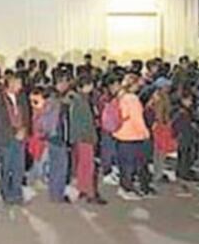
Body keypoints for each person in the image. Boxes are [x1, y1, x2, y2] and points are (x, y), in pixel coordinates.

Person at [113, 73, 152, 199]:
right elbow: (137, 119)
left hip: (120, 133)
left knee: (123, 164)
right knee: (131, 164)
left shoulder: (121, 96)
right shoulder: (133, 99)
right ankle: (127, 189)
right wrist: (145, 133)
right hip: (132, 135)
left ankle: (123, 187)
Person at [0, 72, 28, 205]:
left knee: (19, 166)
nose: (21, 86)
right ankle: (6, 193)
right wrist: (14, 132)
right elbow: (0, 121)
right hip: (6, 138)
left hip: (21, 136)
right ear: (11, 83)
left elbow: (26, 114)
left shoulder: (21, 97)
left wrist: (25, 129)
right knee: (6, 167)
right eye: (18, 83)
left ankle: (17, 194)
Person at [68, 74, 106, 204]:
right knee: (88, 165)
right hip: (85, 138)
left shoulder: (78, 99)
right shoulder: (81, 101)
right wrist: (91, 137)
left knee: (83, 165)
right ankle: (90, 192)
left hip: (81, 138)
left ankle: (83, 188)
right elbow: (83, 123)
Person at [46, 76, 72, 203]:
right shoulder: (59, 101)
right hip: (58, 135)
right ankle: (58, 194)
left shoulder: (49, 97)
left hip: (50, 135)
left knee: (54, 165)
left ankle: (53, 192)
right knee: (61, 166)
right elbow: (62, 122)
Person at [171, 90, 198, 182]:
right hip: (184, 135)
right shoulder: (181, 111)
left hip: (186, 134)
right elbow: (177, 124)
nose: (190, 102)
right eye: (189, 100)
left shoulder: (186, 110)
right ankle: (183, 172)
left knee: (185, 154)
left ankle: (182, 171)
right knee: (185, 154)